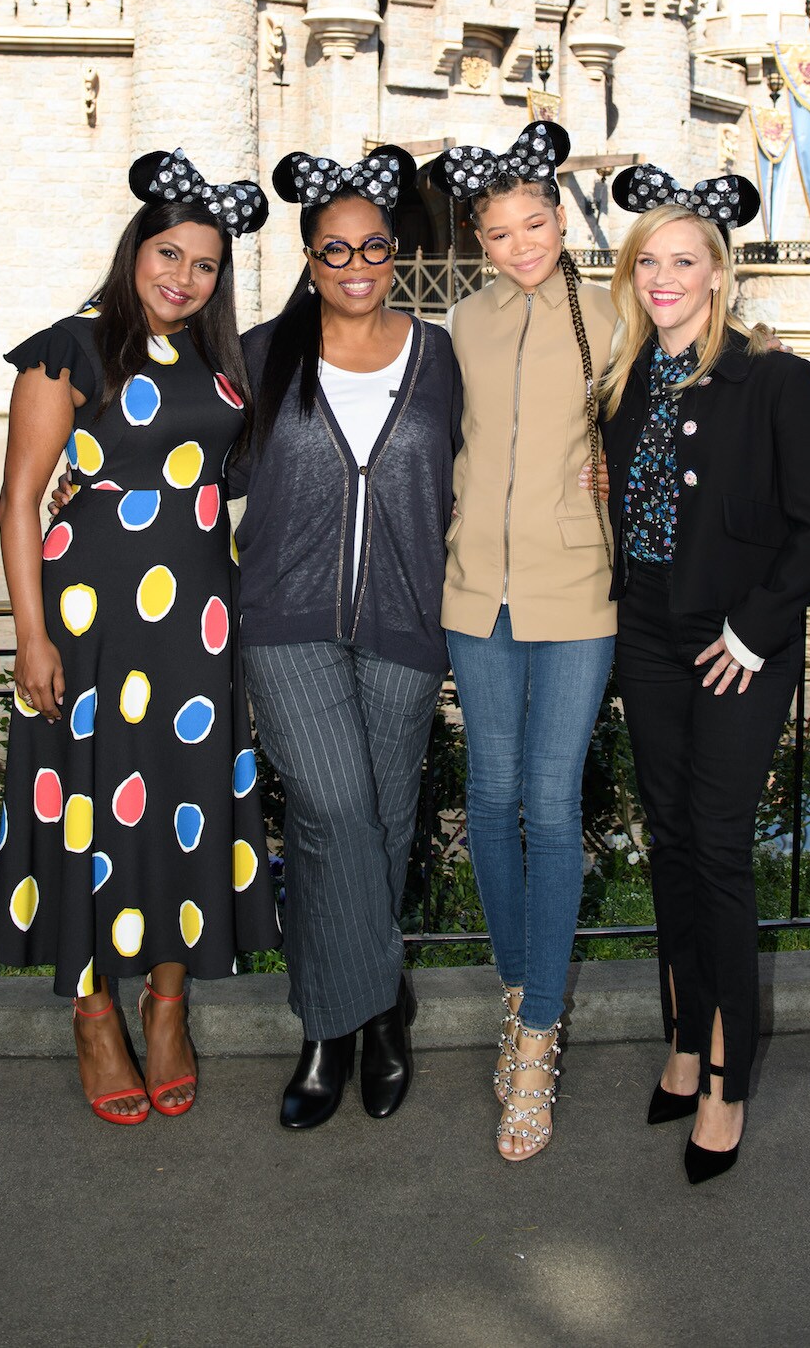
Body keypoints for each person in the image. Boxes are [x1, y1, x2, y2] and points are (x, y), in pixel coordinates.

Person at [0, 149, 280, 1126]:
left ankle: (166, 1005)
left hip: (196, 625)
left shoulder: (219, 357)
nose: (182, 278)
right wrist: (32, 637)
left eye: (203, 265)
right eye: (167, 255)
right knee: (87, 804)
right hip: (86, 621)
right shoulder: (64, 349)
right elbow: (21, 497)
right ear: (133, 251)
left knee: (177, 805)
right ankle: (89, 1012)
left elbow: (223, 469)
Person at [599, 163, 810, 1184]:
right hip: (647, 635)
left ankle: (726, 1076)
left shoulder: (770, 375)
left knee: (717, 849)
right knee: (667, 841)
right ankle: (682, 1031)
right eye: (647, 261)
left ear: (716, 273)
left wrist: (753, 629)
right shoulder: (619, 381)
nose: (664, 278)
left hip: (735, 643)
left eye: (682, 261)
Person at [234, 147, 462, 1129]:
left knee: (386, 821)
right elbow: (167, 453)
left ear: (395, 249)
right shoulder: (254, 355)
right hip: (283, 622)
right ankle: (352, 1018)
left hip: (408, 622)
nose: (356, 264)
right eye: (335, 250)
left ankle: (355, 1023)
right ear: (309, 256)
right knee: (330, 810)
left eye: (373, 246)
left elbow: (518, 457)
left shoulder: (443, 357)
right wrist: (79, 475)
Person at [427, 120, 616, 1164]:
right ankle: (521, 991)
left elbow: (671, 420)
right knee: (489, 801)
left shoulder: (611, 314)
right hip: (473, 596)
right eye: (497, 231)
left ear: (559, 219)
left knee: (551, 802)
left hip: (577, 590)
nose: (519, 244)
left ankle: (537, 1036)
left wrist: (611, 481)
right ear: (479, 241)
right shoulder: (460, 326)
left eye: (533, 223)